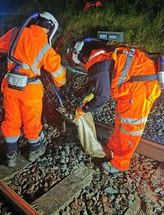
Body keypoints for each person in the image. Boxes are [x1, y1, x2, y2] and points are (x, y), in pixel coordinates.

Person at [67, 38, 161, 173]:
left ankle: (119, 164)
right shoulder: (103, 55)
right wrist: (92, 96)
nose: (83, 68)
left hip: (139, 88)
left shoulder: (96, 63)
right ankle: (113, 150)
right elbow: (106, 81)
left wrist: (85, 108)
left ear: (81, 57)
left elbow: (103, 96)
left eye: (80, 65)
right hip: (135, 86)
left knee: (129, 128)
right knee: (122, 123)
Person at [0, 11, 66, 167]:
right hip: (30, 90)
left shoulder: (15, 32)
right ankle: (33, 151)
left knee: (11, 120)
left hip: (10, 86)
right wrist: (61, 82)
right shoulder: (44, 46)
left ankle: (11, 155)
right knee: (32, 122)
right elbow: (58, 73)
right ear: (49, 28)